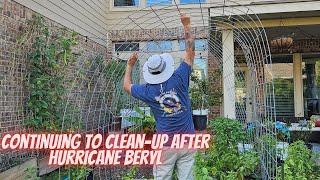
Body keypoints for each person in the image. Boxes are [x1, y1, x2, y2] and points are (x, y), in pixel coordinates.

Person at [123, 14, 195, 180]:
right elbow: (190, 52)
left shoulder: (148, 91)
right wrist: (186, 26)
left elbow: (126, 86)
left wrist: (129, 66)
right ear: (166, 67)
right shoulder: (180, 77)